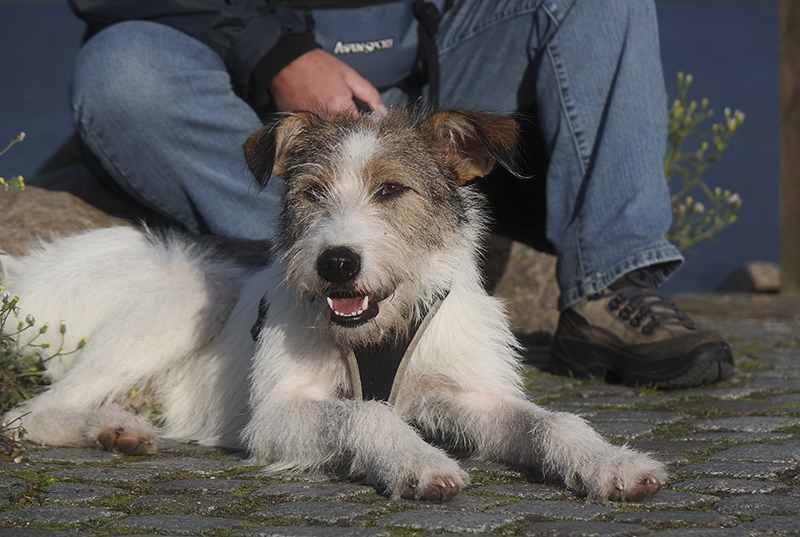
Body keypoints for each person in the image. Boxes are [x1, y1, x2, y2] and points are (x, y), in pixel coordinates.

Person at [65, 0, 734, 388]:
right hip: (240, 82)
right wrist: (273, 52)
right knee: (124, 74)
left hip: (433, 74)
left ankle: (610, 285)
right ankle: (306, 267)